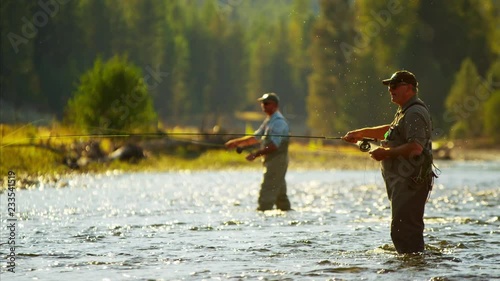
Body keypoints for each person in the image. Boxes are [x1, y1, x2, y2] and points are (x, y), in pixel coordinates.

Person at [342, 70, 436, 254]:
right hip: (404, 181)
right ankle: (414, 263)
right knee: (403, 229)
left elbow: (416, 147)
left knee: (404, 230)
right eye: (389, 87)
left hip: (411, 181)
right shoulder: (405, 111)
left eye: (395, 86)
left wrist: (385, 152)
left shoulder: (415, 112)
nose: (390, 90)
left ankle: (414, 267)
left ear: (410, 88)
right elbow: (390, 130)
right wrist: (361, 133)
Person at [225, 93, 291, 211]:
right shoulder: (269, 121)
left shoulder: (279, 122)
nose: (263, 106)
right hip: (271, 162)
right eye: (262, 103)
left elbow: (274, 146)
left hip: (277, 162)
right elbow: (256, 137)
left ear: (274, 105)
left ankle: (263, 217)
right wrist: (236, 142)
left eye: (266, 103)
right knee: (280, 196)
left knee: (267, 192)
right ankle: (287, 217)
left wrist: (255, 154)